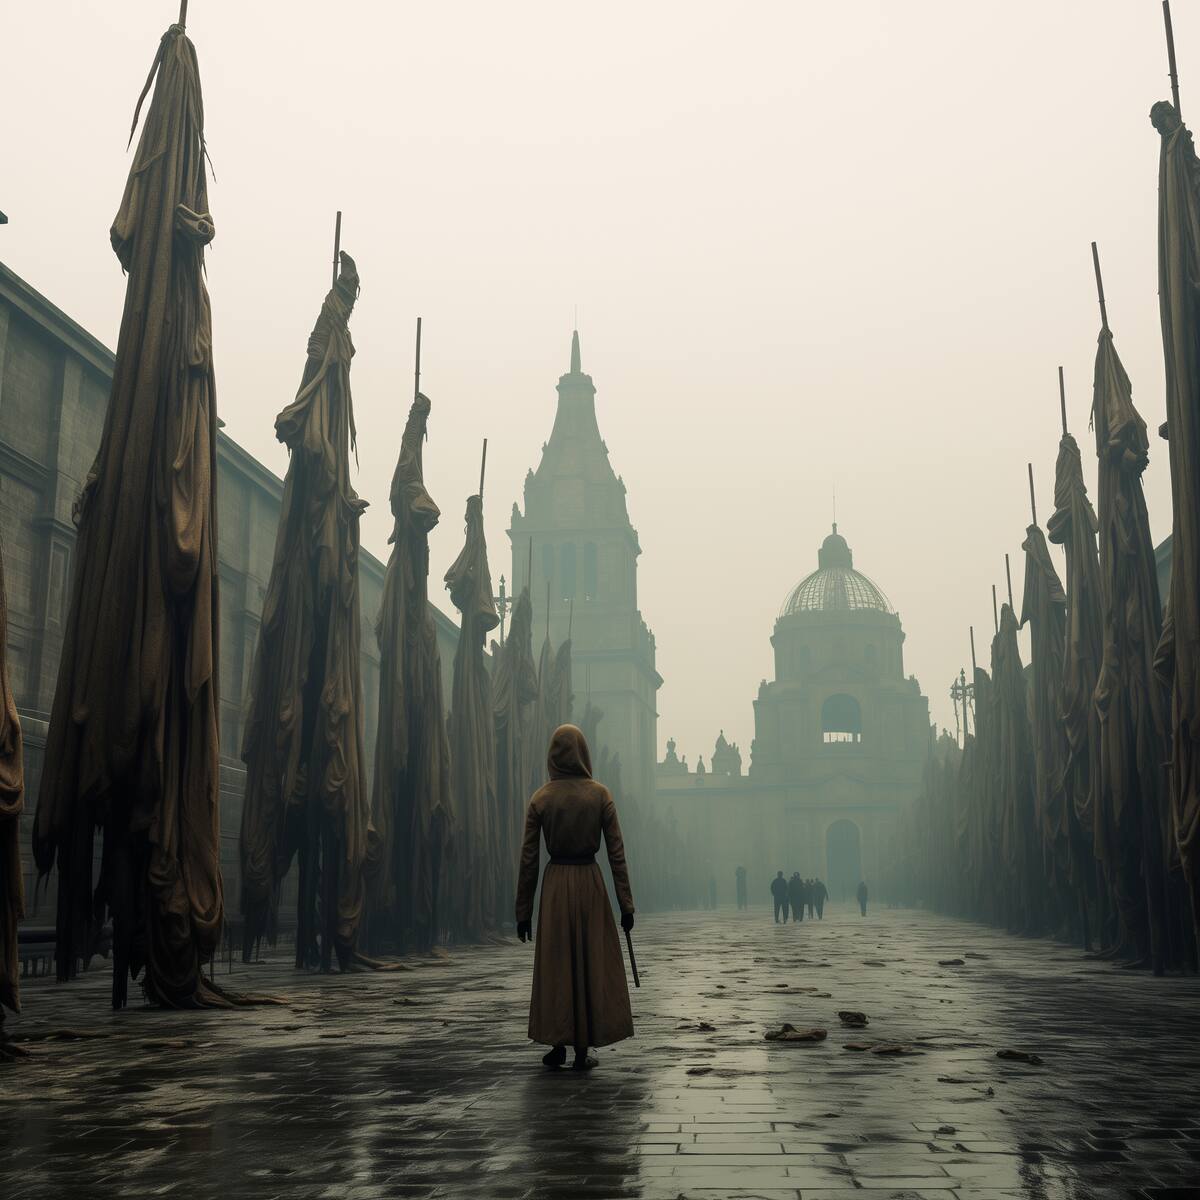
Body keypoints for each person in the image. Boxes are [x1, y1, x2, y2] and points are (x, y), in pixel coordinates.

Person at [515, 724, 634, 1072]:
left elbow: (528, 859)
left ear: (552, 755)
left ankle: (557, 1041)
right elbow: (616, 854)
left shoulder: (541, 798)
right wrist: (625, 904)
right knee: (588, 962)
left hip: (554, 886)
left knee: (556, 965)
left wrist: (523, 910)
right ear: (584, 753)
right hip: (590, 883)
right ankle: (583, 1047)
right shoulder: (600, 795)